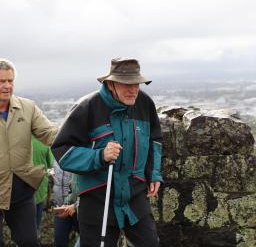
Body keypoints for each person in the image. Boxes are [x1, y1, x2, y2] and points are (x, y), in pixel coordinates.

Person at [51, 57, 163, 247]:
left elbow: (154, 140)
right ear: (110, 84)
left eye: (137, 83)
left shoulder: (144, 104)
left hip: (134, 195)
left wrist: (154, 174)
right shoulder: (87, 107)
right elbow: (63, 150)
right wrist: (99, 156)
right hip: (97, 199)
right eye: (127, 84)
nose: (133, 89)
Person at [0, 58, 58, 246]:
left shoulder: (27, 108)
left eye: (10, 81)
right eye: (1, 81)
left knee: (29, 241)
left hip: (21, 189)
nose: (7, 86)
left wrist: (80, 134)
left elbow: (50, 134)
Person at [52, 161, 80, 247]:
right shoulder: (56, 157)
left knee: (86, 238)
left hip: (77, 207)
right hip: (61, 206)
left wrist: (75, 205)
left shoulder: (77, 155)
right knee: (59, 241)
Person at [32, 135, 54, 232]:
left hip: (22, 192)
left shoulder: (17, 141)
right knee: (36, 224)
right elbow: (50, 164)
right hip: (39, 189)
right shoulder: (44, 143)